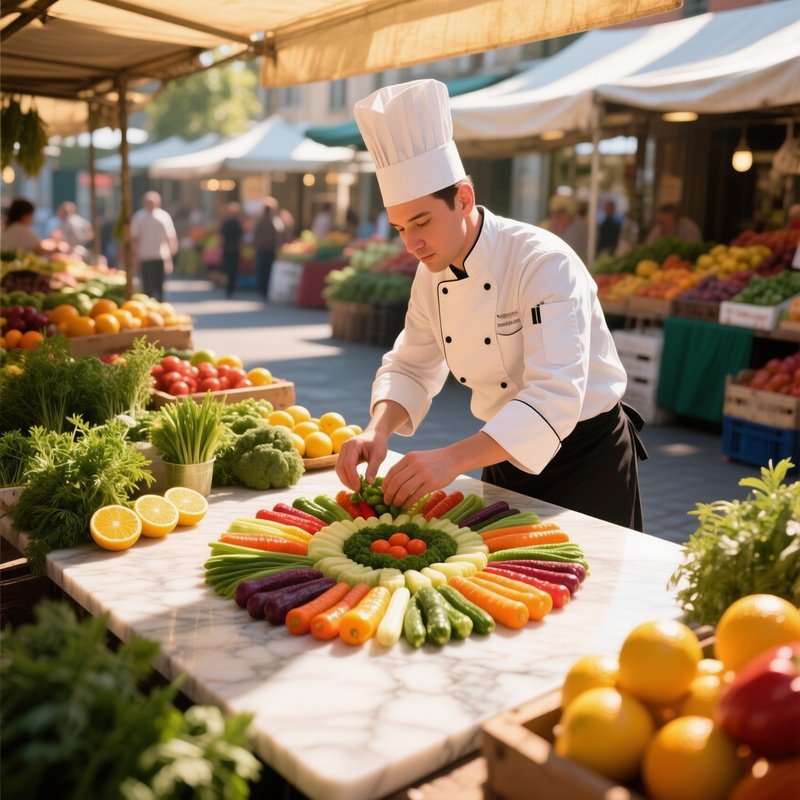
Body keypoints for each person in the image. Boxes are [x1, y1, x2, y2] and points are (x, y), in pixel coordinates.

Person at [335, 79, 646, 531]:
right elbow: (412, 364)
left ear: (464, 198)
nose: (412, 243)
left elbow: (554, 395)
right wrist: (376, 429)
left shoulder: (543, 262)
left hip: (586, 460)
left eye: (421, 222)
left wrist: (451, 459)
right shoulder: (431, 272)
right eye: (400, 228)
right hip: (499, 452)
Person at [130, 191, 178, 302]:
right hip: (145, 256)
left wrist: (170, 257)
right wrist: (136, 258)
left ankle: (160, 304)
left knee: (159, 284)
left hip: (160, 256)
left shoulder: (164, 216)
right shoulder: (139, 217)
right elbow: (135, 239)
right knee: (147, 286)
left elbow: (171, 237)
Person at [253, 196, 284, 298]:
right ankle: (263, 290)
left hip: (268, 249)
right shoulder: (264, 221)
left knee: (266, 270)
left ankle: (264, 290)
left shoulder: (273, 220)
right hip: (264, 249)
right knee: (263, 271)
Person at [541, 193, 588, 258]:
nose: (556, 218)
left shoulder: (579, 226)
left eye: (562, 213)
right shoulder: (544, 227)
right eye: (555, 214)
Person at [219, 202, 243, 297]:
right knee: (232, 269)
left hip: (229, 248)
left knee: (230, 269)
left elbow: (222, 237)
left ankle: (229, 287)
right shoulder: (236, 223)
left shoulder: (229, 223)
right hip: (233, 249)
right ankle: (231, 287)